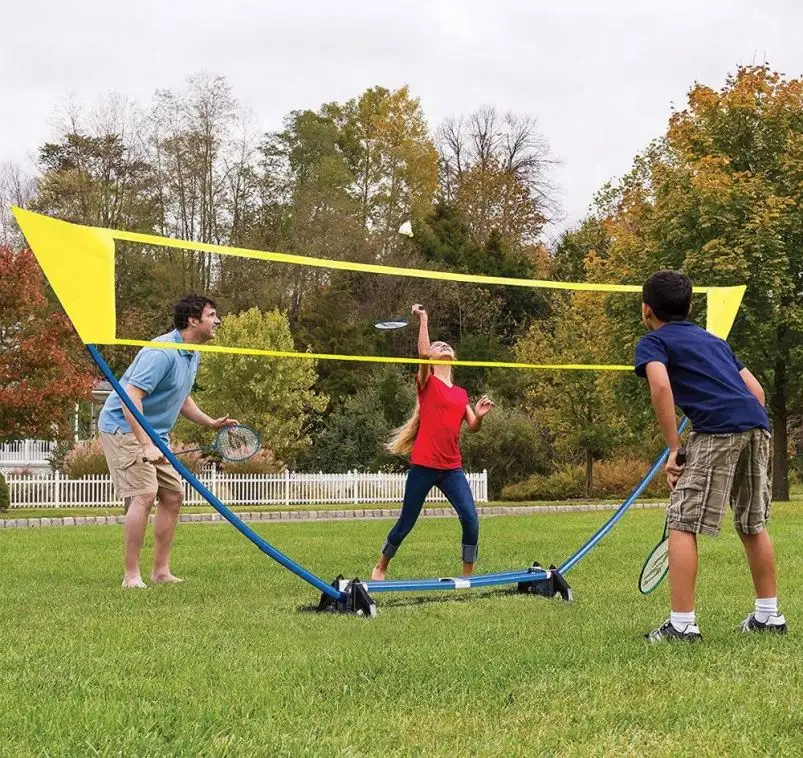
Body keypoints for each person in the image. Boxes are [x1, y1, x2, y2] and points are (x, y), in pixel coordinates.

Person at [635, 270, 787, 641]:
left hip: (717, 429)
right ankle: (769, 616)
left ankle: (682, 625)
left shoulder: (653, 343)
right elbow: (758, 392)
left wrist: (675, 447)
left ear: (646, 310)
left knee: (683, 522)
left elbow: (659, 385)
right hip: (756, 424)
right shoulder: (715, 341)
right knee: (752, 522)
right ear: (689, 307)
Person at [98, 294, 237, 588]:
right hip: (123, 427)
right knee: (144, 494)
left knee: (173, 495)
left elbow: (182, 398)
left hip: (154, 434)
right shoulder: (161, 352)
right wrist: (146, 444)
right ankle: (131, 576)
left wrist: (210, 422)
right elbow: (130, 397)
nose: (217, 321)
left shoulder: (191, 353)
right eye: (212, 315)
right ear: (193, 320)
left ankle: (160, 572)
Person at [370, 304, 495, 581]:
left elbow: (472, 427)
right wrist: (424, 319)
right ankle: (381, 566)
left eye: (446, 344)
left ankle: (467, 577)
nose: (442, 346)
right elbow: (423, 354)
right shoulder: (427, 383)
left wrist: (481, 416)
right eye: (438, 345)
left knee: (471, 519)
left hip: (451, 468)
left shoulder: (461, 394)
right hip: (424, 465)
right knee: (406, 522)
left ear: (453, 357)